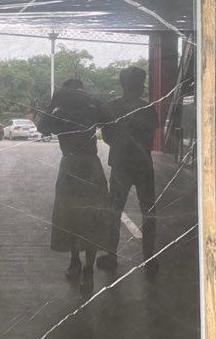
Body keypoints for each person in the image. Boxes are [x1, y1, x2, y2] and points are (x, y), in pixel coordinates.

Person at [39, 79, 111, 287]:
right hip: (89, 166)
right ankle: (84, 265)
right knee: (87, 215)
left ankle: (78, 262)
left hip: (73, 166)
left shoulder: (66, 112)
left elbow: (43, 127)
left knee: (73, 215)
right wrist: (92, 99)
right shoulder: (82, 112)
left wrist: (54, 102)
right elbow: (109, 119)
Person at [100, 66, 158, 271]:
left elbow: (107, 137)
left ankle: (111, 255)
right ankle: (149, 258)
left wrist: (121, 145)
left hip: (120, 164)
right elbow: (151, 135)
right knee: (148, 211)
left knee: (114, 211)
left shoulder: (112, 107)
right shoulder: (148, 108)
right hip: (143, 165)